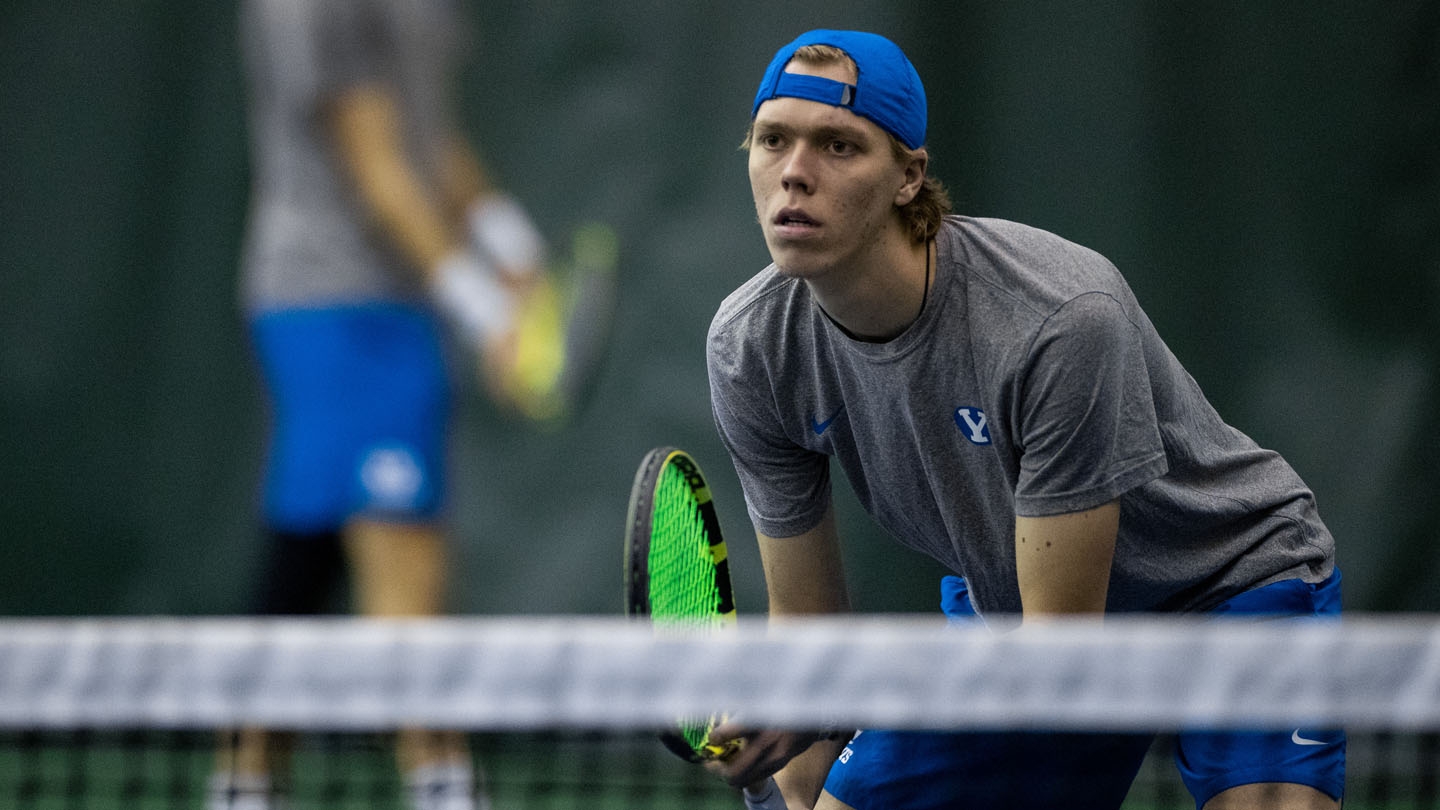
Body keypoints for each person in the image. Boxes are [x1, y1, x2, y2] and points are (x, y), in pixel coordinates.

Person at [704, 29, 1344, 810]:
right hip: (1016, 617)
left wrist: (829, 695)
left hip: (1225, 585)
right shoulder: (751, 347)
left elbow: (1058, 658)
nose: (795, 174)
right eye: (773, 141)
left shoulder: (1056, 318)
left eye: (838, 146)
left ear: (909, 177)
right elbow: (804, 626)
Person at [211, 1, 613, 808]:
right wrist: (488, 314)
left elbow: (431, 137)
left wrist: (514, 251)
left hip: (399, 301)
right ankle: (440, 783)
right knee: (405, 545)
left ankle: (244, 780)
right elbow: (379, 166)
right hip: (329, 299)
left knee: (310, 545)